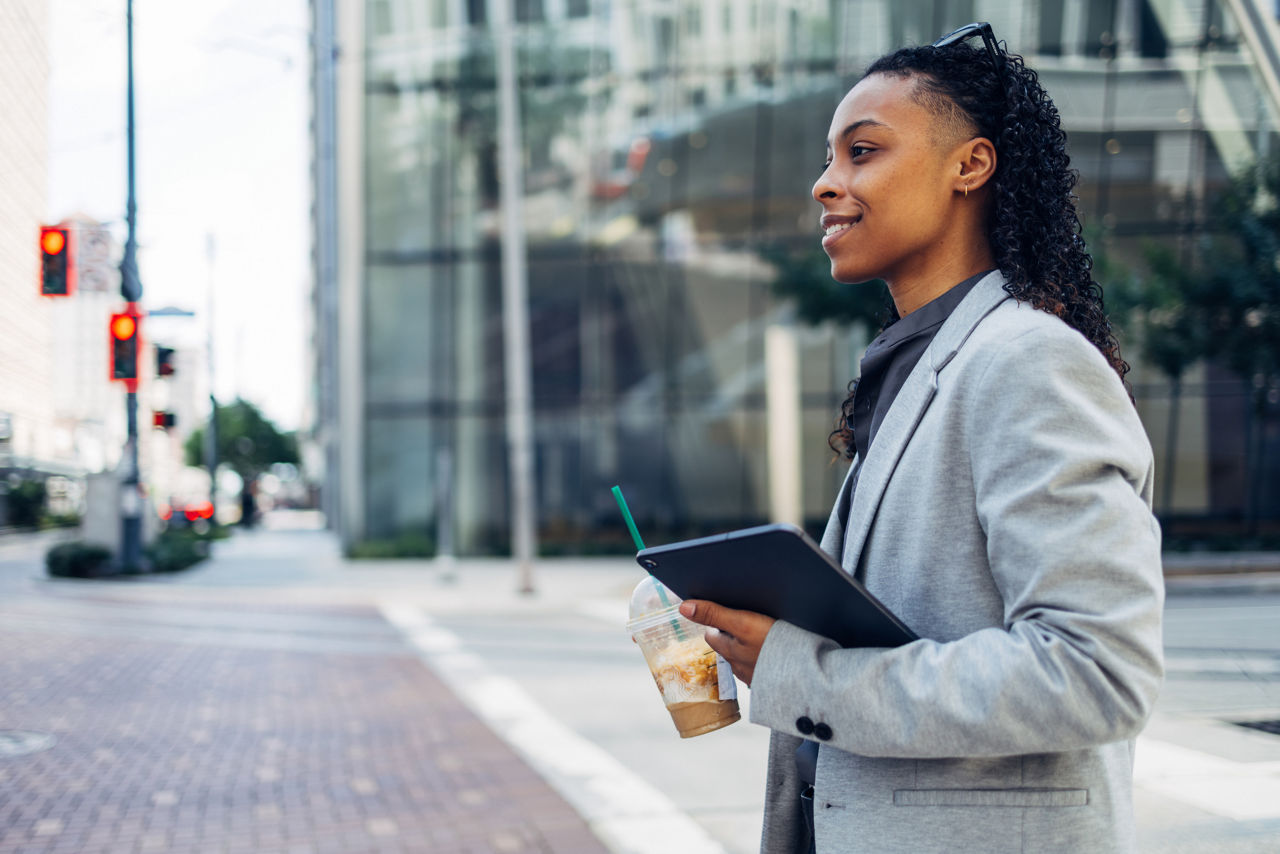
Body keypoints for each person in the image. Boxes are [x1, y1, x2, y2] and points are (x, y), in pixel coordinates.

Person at [678, 23, 1164, 854]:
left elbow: (1096, 672)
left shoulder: (1026, 362)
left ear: (969, 166)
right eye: (829, 159)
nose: (825, 184)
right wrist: (759, 641)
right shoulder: (923, 362)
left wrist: (807, 675)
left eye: (862, 152)